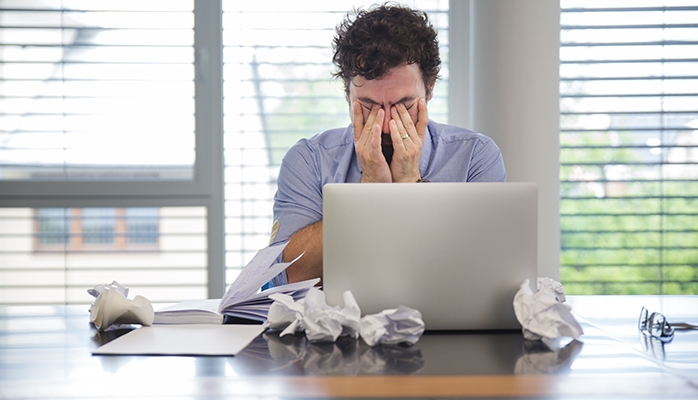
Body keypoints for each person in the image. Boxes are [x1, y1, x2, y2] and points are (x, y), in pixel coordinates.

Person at [265, 3, 506, 287]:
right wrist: (370, 192)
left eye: (404, 105)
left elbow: (484, 272)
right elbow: (285, 276)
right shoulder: (309, 159)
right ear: (347, 93)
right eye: (369, 105)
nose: (388, 122)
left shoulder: (475, 156)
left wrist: (410, 185)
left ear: (429, 89)